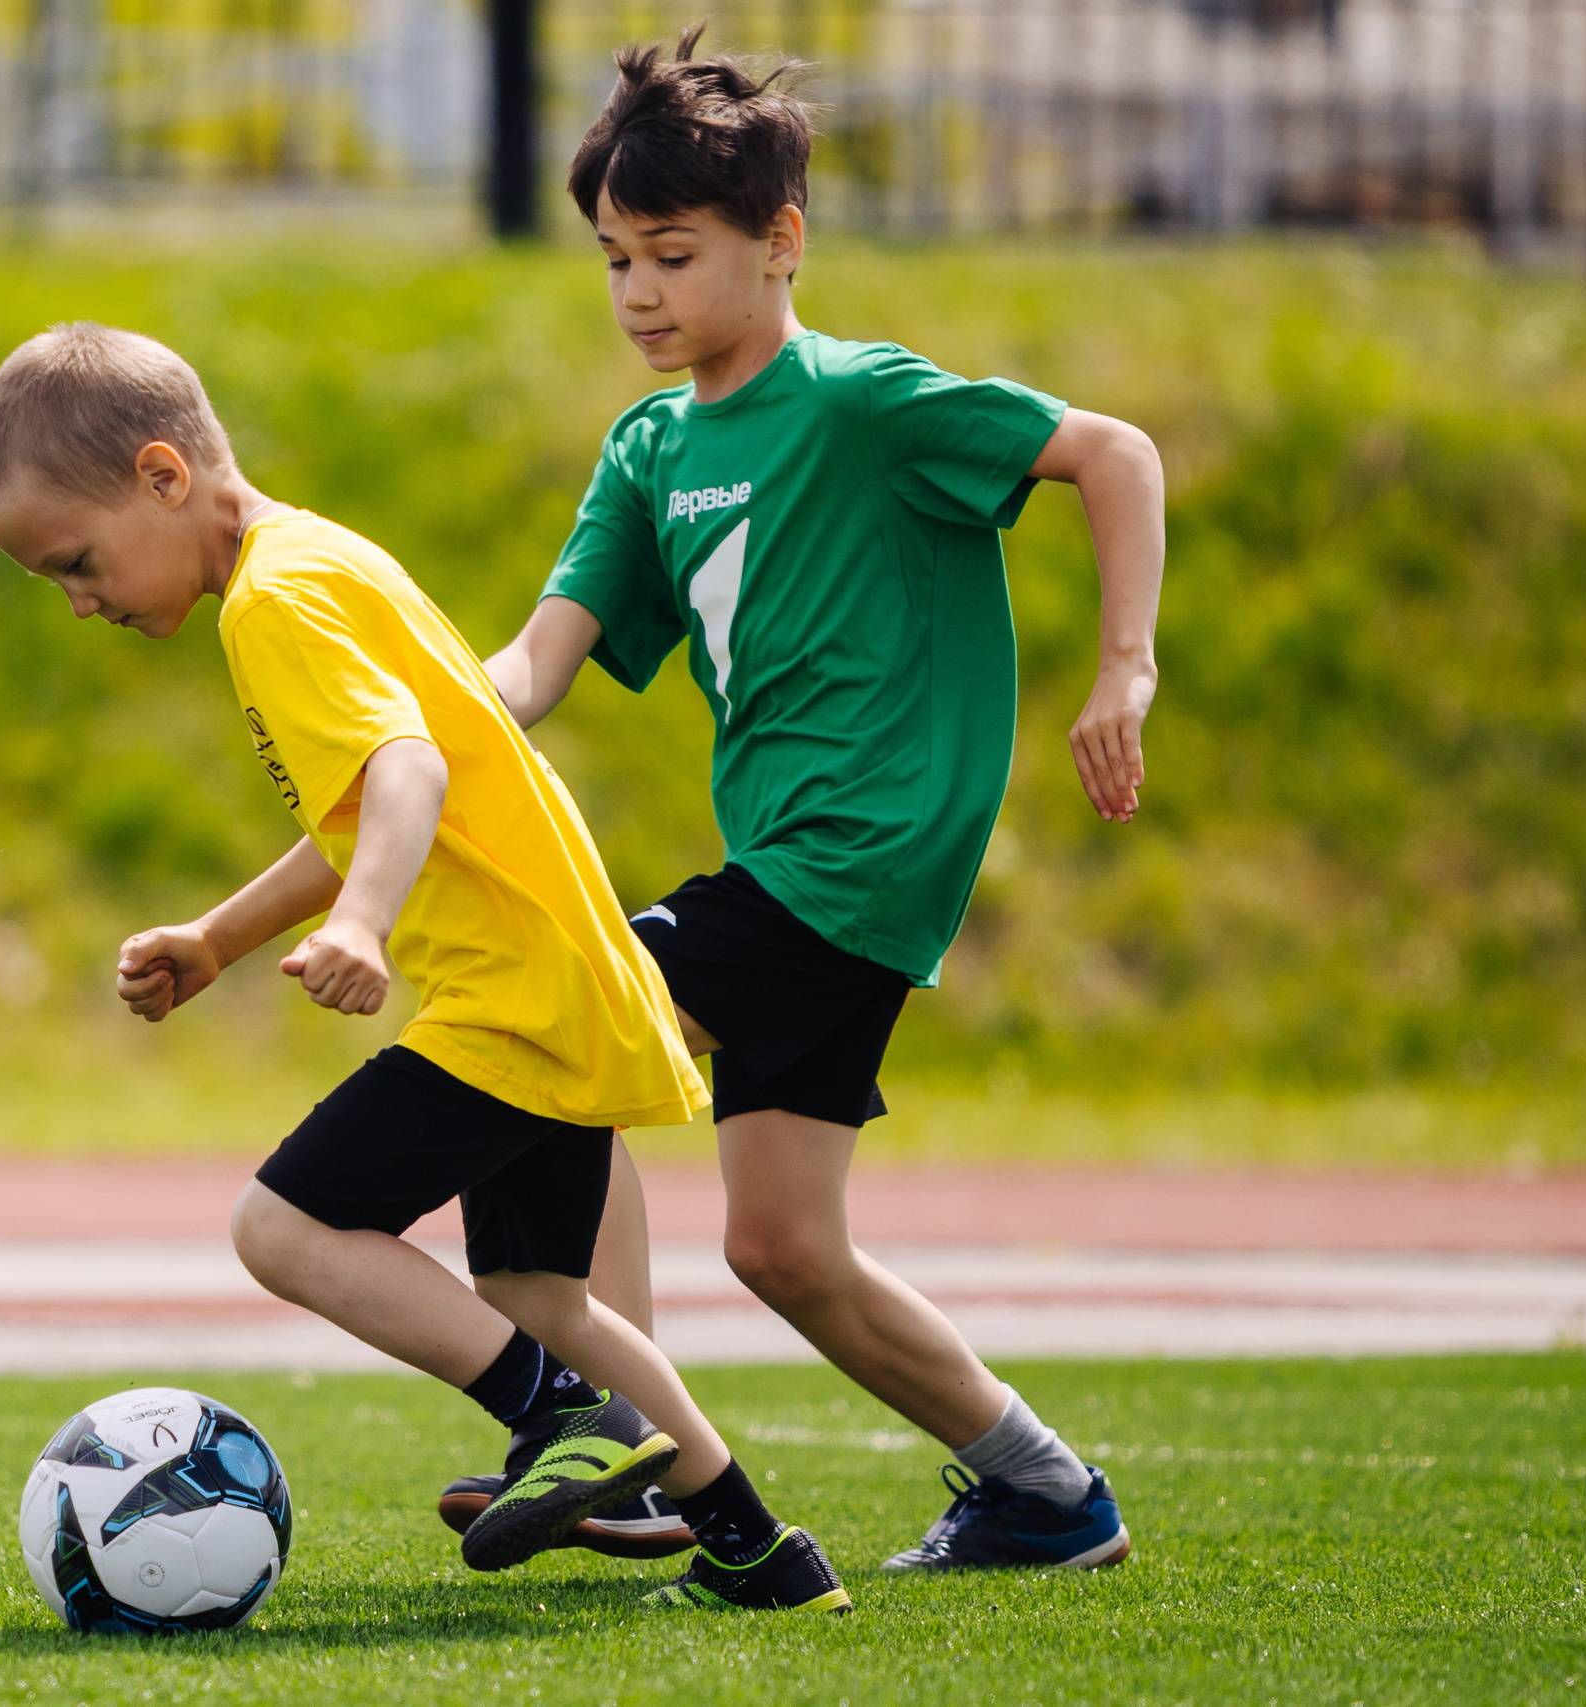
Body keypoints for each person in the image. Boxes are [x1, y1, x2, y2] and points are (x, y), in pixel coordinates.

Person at [0, 321, 852, 1613]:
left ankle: (562, 1427)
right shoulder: (320, 555)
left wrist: (364, 927)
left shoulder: (273, 601)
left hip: (513, 992)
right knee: (536, 1287)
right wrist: (221, 938)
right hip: (566, 974)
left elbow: (408, 771)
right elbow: (371, 797)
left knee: (282, 1227)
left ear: (164, 475)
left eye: (76, 563)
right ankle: (759, 1551)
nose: (79, 600)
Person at [450, 32, 1165, 1574]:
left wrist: (1124, 670)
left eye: (673, 254)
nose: (639, 292)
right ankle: (1048, 1495)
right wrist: (423, 721)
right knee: (783, 1248)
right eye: (614, 261)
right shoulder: (646, 450)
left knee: (574, 1007)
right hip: (794, 874)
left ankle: (619, 1447)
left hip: (859, 856)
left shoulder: (862, 404)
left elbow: (1115, 455)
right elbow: (537, 662)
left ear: (781, 246)